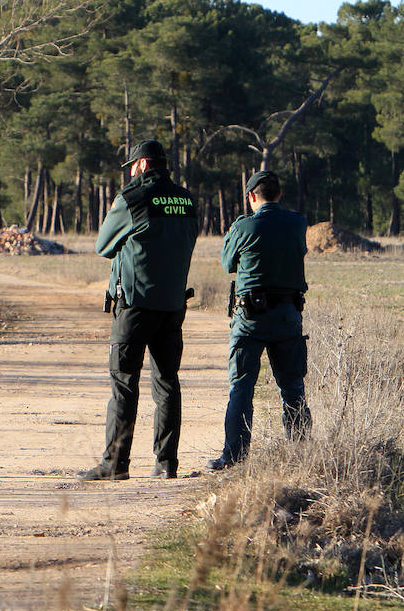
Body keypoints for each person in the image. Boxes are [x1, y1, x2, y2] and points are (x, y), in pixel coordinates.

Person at [80, 140, 199, 481]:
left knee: (124, 382)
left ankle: (115, 465)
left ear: (143, 165)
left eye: (132, 167)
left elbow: (104, 245)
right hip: (173, 305)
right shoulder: (187, 201)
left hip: (134, 305)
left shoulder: (131, 199)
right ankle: (166, 464)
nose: (130, 173)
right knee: (166, 383)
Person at [209, 170, 312, 470]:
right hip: (288, 316)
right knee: (293, 387)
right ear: (279, 194)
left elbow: (228, 263)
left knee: (241, 386)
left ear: (252, 196)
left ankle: (235, 457)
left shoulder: (244, 226)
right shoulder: (297, 223)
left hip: (250, 319)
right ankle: (300, 455)